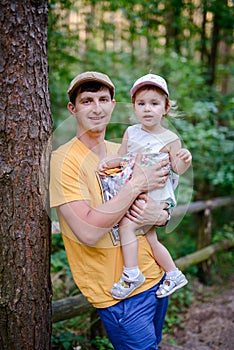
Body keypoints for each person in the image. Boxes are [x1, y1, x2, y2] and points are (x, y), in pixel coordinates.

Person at [49, 71, 171, 350]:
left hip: (156, 277)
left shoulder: (124, 152)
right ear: (73, 108)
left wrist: (161, 217)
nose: (97, 107)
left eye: (103, 99)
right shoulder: (63, 160)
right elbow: (88, 232)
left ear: (113, 105)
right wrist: (137, 183)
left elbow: (159, 203)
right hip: (119, 294)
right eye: (87, 100)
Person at [98, 73, 192, 300]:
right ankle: (173, 272)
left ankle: (132, 274)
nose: (147, 109)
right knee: (150, 238)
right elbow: (122, 156)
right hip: (137, 188)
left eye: (154, 103)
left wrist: (184, 158)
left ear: (166, 108)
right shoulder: (131, 132)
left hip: (156, 193)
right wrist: (108, 162)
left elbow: (177, 168)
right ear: (134, 107)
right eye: (141, 104)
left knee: (127, 226)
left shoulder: (169, 138)